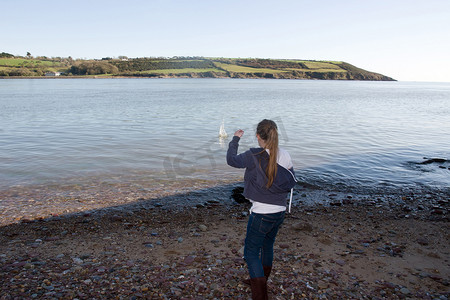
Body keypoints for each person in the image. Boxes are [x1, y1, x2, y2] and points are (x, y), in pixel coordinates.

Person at [226, 119, 296, 300]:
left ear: (258, 136)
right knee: (267, 246)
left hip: (261, 213)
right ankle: (260, 280)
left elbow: (231, 160)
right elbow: (289, 179)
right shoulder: (285, 154)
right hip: (279, 211)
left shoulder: (253, 155)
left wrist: (235, 139)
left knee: (250, 252)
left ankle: (260, 294)